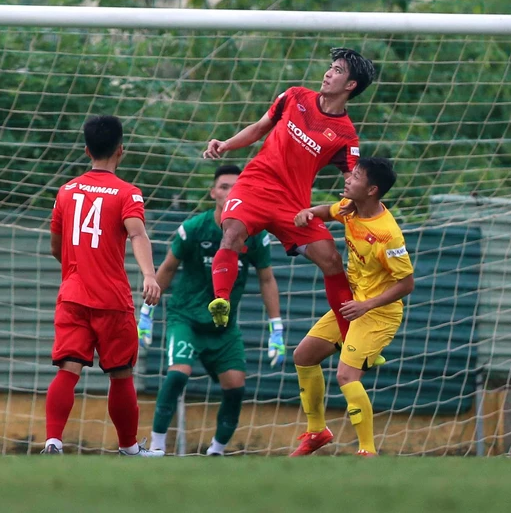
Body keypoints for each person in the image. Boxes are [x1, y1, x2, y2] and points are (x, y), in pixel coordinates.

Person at [203, 48, 376, 338]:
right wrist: (226, 144)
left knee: (331, 259)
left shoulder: (346, 135)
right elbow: (259, 128)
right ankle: (221, 300)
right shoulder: (294, 96)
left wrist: (358, 209)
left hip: (293, 206)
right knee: (232, 233)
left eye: (337, 70)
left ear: (350, 86)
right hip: (254, 186)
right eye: (330, 67)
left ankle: (351, 338)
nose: (328, 73)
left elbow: (353, 180)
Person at [139, 164, 284, 455]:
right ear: (213, 192)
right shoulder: (194, 229)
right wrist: (146, 312)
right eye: (224, 186)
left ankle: (216, 451)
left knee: (236, 386)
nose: (229, 192)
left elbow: (267, 279)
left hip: (223, 326)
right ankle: (155, 448)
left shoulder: (255, 235)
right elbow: (167, 268)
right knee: (178, 374)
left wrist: (276, 328)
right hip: (186, 318)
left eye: (236, 186)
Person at [41, 115, 162, 457]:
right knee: (121, 374)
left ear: (86, 150)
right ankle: (127, 448)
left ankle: (53, 441)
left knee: (69, 369)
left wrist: (79, 270)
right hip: (112, 297)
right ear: (120, 150)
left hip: (73, 295)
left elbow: (55, 246)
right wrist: (149, 275)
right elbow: (137, 233)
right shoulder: (128, 193)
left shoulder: (65, 191)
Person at [289, 157, 414, 457]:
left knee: (346, 376)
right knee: (303, 355)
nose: (347, 178)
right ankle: (317, 431)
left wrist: (366, 305)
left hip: (378, 313)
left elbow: (407, 284)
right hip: (352, 305)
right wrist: (308, 213)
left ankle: (367, 452)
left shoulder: (388, 234)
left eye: (355, 176)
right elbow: (327, 211)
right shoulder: (350, 207)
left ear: (372, 189)